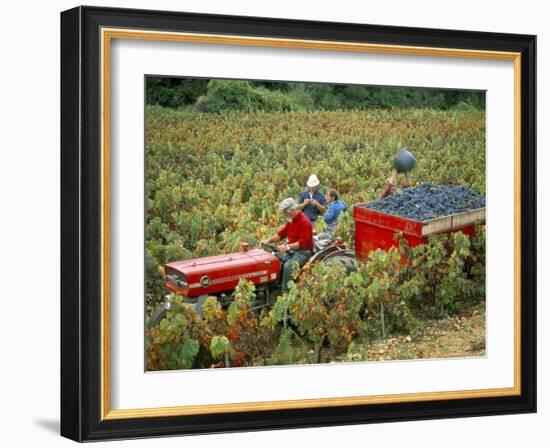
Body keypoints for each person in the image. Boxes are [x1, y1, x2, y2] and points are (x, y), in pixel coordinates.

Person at [261, 198, 314, 292]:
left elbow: (302, 243)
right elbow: (281, 234)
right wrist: (268, 240)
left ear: (291, 210)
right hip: (292, 250)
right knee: (272, 258)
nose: (284, 215)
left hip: (303, 252)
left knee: (288, 266)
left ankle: (285, 292)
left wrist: (287, 247)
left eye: (285, 212)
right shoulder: (291, 221)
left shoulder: (305, 223)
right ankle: (274, 285)